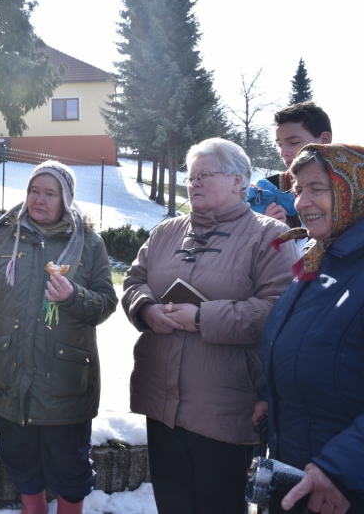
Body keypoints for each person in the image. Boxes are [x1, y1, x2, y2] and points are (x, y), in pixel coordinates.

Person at [122, 138, 298, 514]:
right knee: (173, 504)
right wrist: (146, 310)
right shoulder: (166, 231)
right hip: (161, 401)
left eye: (205, 175)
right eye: (191, 176)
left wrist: (202, 318)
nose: (194, 183)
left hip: (227, 404)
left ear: (239, 181)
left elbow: (277, 310)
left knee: (219, 505)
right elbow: (134, 281)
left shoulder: (269, 235)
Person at [0, 161, 118, 514]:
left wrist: (73, 297)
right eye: (34, 191)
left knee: (70, 470)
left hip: (64, 382)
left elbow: (106, 304)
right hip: (8, 375)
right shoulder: (3, 236)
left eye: (50, 193)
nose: (39, 200)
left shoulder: (88, 244)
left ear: (66, 199)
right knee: (21, 463)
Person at [258, 144, 364, 514]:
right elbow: (304, 343)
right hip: (301, 466)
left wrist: (340, 468)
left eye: (317, 188)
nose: (301, 202)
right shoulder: (322, 256)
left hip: (342, 489)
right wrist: (269, 392)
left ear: (353, 188)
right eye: (297, 191)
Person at [264, 102, 332, 226]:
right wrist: (261, 227)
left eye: (294, 142)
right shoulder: (268, 191)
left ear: (324, 140)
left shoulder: (354, 185)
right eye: (279, 145)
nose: (283, 153)